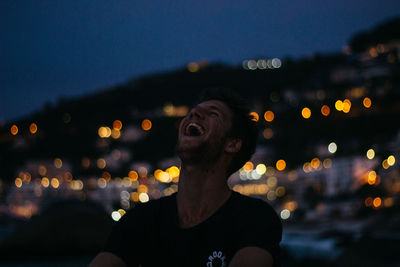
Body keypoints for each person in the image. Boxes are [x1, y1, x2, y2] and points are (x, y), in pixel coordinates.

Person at [89, 89, 282, 267]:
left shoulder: (254, 219)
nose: (193, 114)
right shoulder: (141, 220)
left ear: (232, 144)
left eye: (213, 114)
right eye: (193, 111)